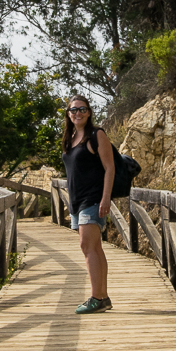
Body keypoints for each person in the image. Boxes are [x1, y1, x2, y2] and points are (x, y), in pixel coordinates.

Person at [60, 94, 117, 313]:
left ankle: (96, 297)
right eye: (73, 110)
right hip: (77, 200)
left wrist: (105, 198)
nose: (78, 113)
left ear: (89, 112)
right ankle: (103, 296)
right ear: (68, 113)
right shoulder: (70, 136)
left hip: (93, 199)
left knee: (88, 247)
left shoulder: (97, 134)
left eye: (82, 109)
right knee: (94, 248)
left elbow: (109, 168)